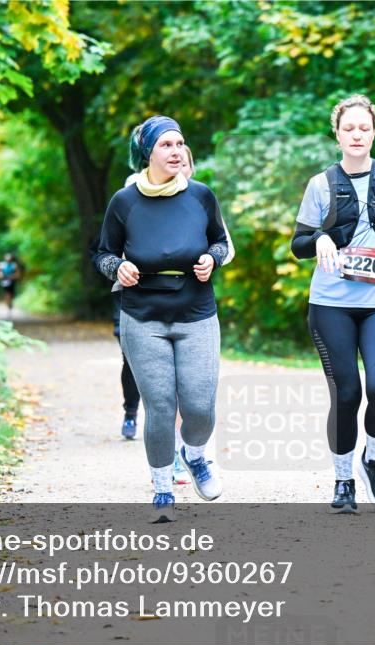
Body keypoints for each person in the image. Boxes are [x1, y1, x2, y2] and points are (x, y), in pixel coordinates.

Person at [291, 95, 375, 513]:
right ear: (337, 133)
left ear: (374, 131)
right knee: (347, 393)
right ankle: (342, 479)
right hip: (331, 303)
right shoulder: (321, 184)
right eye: (348, 128)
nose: (356, 134)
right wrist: (320, 238)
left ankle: (374, 459)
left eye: (363, 128)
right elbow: (298, 243)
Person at [95, 115, 229, 522]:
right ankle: (162, 486)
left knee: (200, 407)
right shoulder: (125, 201)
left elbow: (221, 242)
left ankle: (195, 454)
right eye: (166, 145)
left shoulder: (201, 196)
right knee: (160, 405)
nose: (175, 152)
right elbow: (101, 253)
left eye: (179, 144)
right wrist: (116, 267)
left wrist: (212, 259)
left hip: (196, 313)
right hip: (143, 316)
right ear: (148, 153)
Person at [0, 253, 23, 317]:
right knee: (7, 295)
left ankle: (10, 306)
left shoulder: (14, 265)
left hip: (12, 283)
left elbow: (18, 274)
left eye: (9, 259)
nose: (8, 260)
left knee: (11, 295)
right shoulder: (2, 265)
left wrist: (11, 276)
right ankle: (8, 307)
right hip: (4, 282)